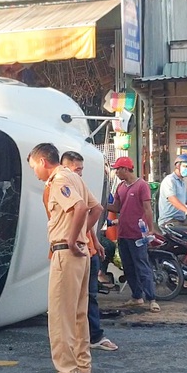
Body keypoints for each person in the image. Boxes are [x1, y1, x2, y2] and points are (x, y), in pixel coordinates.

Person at [27, 143, 103, 373]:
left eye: (33, 167)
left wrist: (71, 239)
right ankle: (83, 367)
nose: (35, 173)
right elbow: (96, 208)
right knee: (79, 313)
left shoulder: (59, 180)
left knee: (60, 316)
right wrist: (82, 234)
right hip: (81, 254)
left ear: (41, 161)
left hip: (66, 252)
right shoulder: (74, 177)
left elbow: (80, 207)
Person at [60, 151, 118, 352]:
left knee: (84, 297)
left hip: (79, 251)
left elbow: (90, 212)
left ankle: (88, 337)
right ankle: (85, 338)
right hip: (80, 250)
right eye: (78, 169)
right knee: (83, 297)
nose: (80, 173)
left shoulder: (69, 186)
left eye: (81, 169)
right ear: (66, 167)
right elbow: (92, 211)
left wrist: (87, 237)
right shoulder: (67, 185)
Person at [107, 156, 159, 312]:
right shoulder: (121, 187)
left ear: (125, 169)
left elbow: (147, 208)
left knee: (142, 266)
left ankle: (151, 299)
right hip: (123, 233)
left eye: (117, 169)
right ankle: (137, 296)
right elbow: (116, 207)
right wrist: (102, 205)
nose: (116, 172)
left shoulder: (142, 186)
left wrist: (150, 229)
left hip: (138, 234)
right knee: (128, 267)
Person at [158, 154, 187, 229]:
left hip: (180, 220)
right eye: (186, 166)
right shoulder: (169, 180)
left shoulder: (182, 182)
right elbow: (172, 199)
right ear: (178, 166)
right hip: (169, 221)